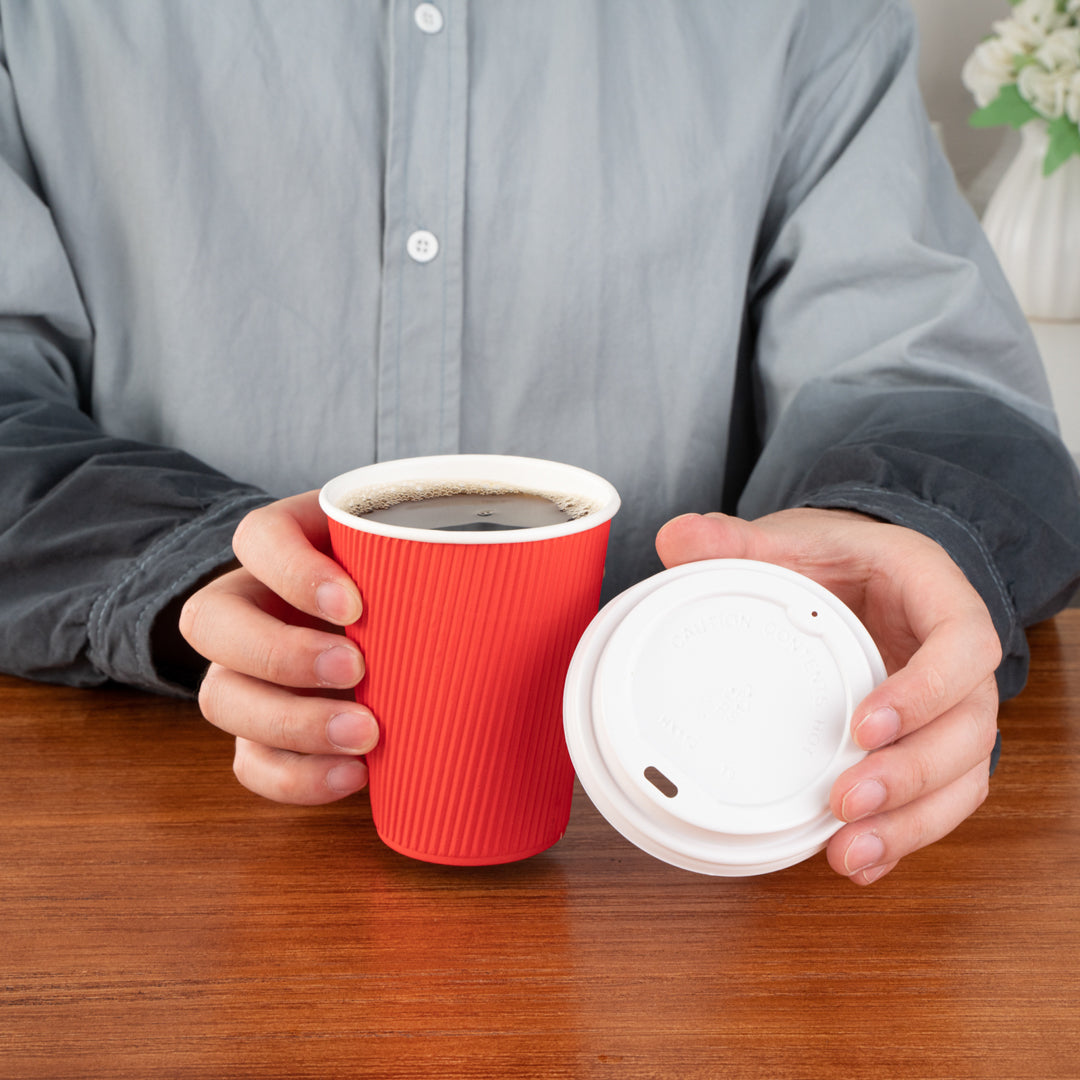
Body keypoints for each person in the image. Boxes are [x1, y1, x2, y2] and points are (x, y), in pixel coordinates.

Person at [2, 1, 1078, 886]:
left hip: (676, 876)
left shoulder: (800, 16)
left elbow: (929, 378)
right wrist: (192, 568)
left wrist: (890, 522)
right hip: (180, 846)